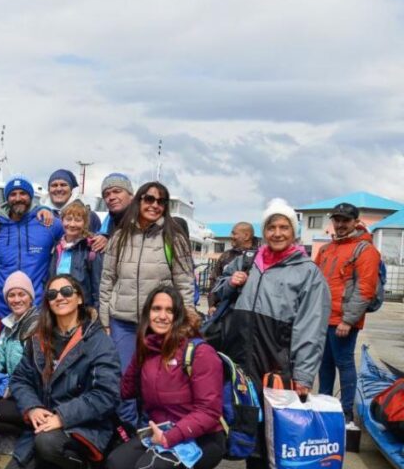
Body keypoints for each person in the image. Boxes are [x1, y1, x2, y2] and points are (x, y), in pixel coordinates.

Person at [211, 198, 331, 469]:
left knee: (289, 425)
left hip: (280, 359)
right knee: (251, 416)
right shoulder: (248, 261)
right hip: (243, 355)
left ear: (294, 231)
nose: (277, 233)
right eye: (271, 227)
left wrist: (303, 374)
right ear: (263, 231)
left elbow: (311, 327)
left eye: (284, 227)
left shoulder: (307, 272)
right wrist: (230, 283)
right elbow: (218, 290)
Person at [106, 286, 225, 469]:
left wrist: (170, 437)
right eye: (156, 309)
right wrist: (138, 352)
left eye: (169, 310)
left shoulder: (200, 352)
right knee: (116, 465)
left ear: (178, 314)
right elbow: (126, 391)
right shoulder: (148, 348)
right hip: (160, 433)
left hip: (202, 438)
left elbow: (209, 412)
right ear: (147, 314)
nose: (162, 316)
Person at [0, 275, 121, 469]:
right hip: (45, 423)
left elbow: (107, 395)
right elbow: (20, 379)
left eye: (66, 292)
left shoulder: (98, 341)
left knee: (47, 442)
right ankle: (58, 462)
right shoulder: (38, 337)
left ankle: (79, 468)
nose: (59, 298)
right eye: (52, 294)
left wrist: (62, 417)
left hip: (83, 426)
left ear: (79, 298)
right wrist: (32, 407)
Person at [98, 181, 195, 425]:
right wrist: (105, 320)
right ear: (139, 200)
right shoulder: (119, 236)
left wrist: (187, 317)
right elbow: (107, 280)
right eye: (149, 199)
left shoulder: (174, 237)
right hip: (122, 321)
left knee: (155, 380)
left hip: (159, 323)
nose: (154, 205)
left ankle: (151, 428)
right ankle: (131, 430)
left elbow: (184, 282)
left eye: (161, 201)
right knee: (124, 379)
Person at [0, 175, 64, 331]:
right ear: (7, 198)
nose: (18, 198)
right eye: (13, 194)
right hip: (1, 308)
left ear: (30, 196)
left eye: (23, 193)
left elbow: (77, 234)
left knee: (36, 346)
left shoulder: (48, 224)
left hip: (38, 307)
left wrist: (102, 237)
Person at [316, 202, 381, 426]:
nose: (341, 224)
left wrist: (348, 320)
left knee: (344, 364)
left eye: (346, 220)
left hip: (343, 321)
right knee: (324, 365)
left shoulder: (365, 250)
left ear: (356, 222)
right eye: (337, 219)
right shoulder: (326, 249)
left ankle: (346, 414)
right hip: (323, 318)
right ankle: (324, 407)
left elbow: (365, 289)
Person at [0, 271, 39, 450]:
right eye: (11, 295)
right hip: (11, 391)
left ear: (30, 297)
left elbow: (35, 370)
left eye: (21, 294)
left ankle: (32, 433)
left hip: (31, 394)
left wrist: (10, 387)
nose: (16, 300)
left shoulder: (38, 325)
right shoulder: (8, 326)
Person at [49, 201, 103, 308]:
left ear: (85, 223)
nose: (72, 224)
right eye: (68, 219)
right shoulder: (56, 247)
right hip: (59, 304)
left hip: (82, 308)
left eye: (78, 220)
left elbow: (97, 284)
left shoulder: (91, 248)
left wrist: (96, 309)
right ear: (62, 220)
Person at [207, 222, 257, 314]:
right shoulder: (226, 255)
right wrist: (212, 304)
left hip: (248, 312)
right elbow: (214, 280)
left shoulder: (259, 256)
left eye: (234, 233)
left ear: (246, 236)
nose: (231, 236)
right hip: (223, 311)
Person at [90, 172, 135, 252]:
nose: (111, 197)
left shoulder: (145, 220)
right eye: (106, 194)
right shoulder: (107, 225)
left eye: (117, 191)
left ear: (131, 195)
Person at [46, 168, 101, 233]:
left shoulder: (89, 216)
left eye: (63, 185)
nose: (59, 189)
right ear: (48, 189)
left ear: (71, 189)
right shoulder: (40, 214)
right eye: (54, 185)